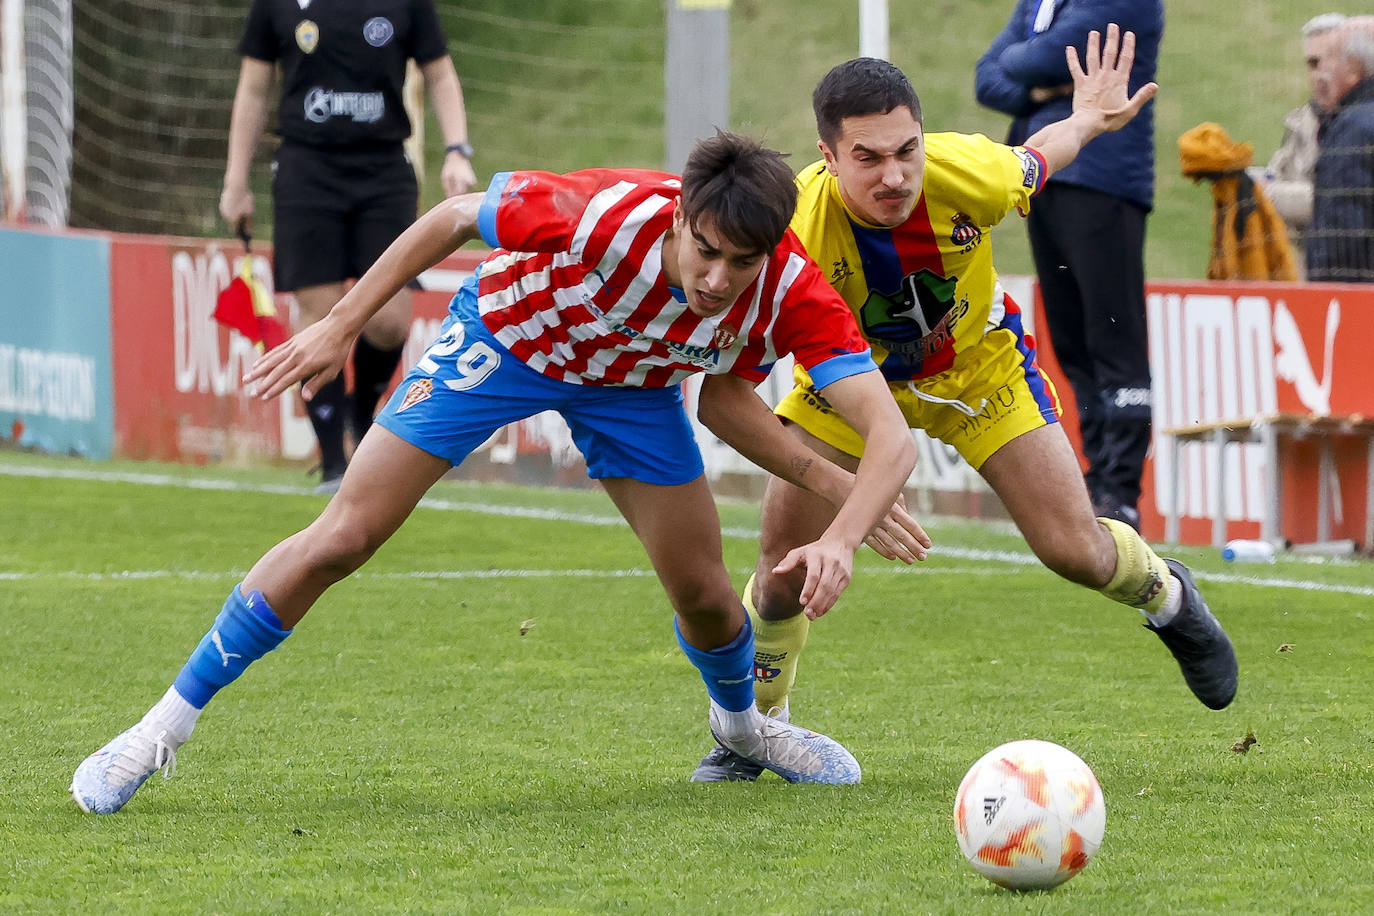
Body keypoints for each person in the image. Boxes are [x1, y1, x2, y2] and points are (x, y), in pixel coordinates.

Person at [71, 130, 929, 814]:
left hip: (631, 391)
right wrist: (341, 324)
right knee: (346, 536)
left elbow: (887, 439)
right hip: (505, 341)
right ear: (678, 219)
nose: (717, 280)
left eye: (742, 263)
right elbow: (450, 218)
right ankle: (156, 732)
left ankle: (744, 731)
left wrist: (844, 535)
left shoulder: (791, 289)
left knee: (706, 595)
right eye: (704, 251)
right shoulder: (601, 214)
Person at [691, 28, 1238, 783]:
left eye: (906, 149)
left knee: (1073, 550)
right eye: (869, 157)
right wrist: (835, 492)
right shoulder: (791, 234)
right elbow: (729, 391)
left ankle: (1169, 598)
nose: (895, 175)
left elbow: (1044, 155)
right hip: (845, 391)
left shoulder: (968, 172)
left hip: (977, 373)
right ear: (827, 156)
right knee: (783, 572)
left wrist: (1086, 117)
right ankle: (752, 734)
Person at [219, 0, 479, 493]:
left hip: (383, 170)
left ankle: (363, 415)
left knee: (389, 321)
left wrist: (456, 150)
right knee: (317, 313)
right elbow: (253, 87)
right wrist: (235, 181)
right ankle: (333, 462)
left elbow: (440, 73)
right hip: (304, 170)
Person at [974, 0, 1161, 531]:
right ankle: (1095, 480)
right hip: (1043, 176)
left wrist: (1030, 71)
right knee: (1073, 343)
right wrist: (1043, 86)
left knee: (1113, 338)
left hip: (1104, 179)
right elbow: (988, 78)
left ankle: (1121, 490)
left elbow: (1035, 58)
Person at [1248, 13, 1347, 279]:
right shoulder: (1303, 121)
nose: (1320, 73)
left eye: (1330, 60)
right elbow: (1275, 174)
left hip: (1351, 274)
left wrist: (1267, 194)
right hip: (1305, 271)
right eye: (1313, 63)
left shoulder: (1363, 125)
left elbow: (1339, 199)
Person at [1308, 15, 1374, 283]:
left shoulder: (1355, 128)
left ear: (1353, 69)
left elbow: (1341, 232)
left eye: (1332, 57)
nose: (1323, 69)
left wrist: (1321, 296)